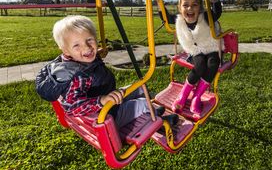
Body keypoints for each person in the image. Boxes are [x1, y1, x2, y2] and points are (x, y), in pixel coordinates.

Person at [35, 15, 173, 128]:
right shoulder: (77, 77)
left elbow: (85, 60)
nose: (87, 47)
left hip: (106, 100)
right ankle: (159, 121)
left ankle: (151, 107)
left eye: (89, 40)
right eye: (77, 45)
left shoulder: (71, 60)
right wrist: (101, 101)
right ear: (65, 50)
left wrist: (97, 54)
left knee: (139, 89)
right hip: (107, 116)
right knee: (143, 103)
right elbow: (72, 106)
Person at [155, 0, 223, 117]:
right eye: (185, 5)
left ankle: (197, 97)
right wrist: (159, 1)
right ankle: (183, 95)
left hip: (211, 48)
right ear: (180, 8)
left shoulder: (207, 17)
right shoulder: (179, 20)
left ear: (200, 7)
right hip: (195, 51)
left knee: (213, 63)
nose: (190, 9)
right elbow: (165, 17)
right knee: (199, 66)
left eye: (194, 5)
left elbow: (217, 9)